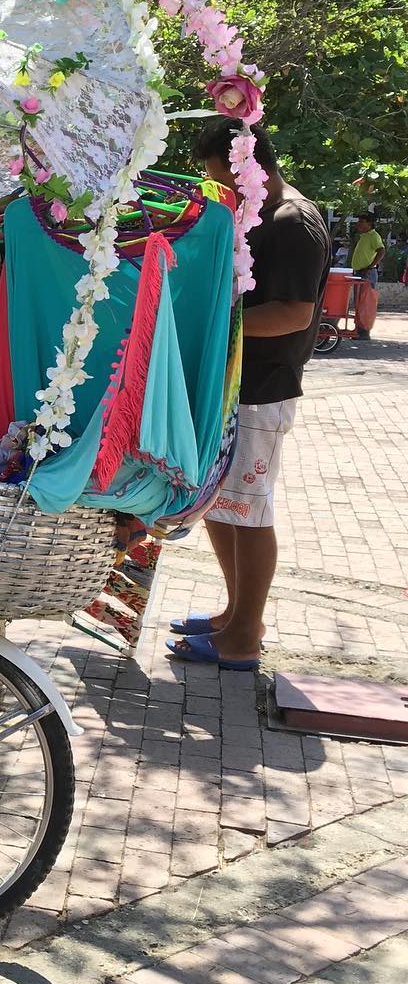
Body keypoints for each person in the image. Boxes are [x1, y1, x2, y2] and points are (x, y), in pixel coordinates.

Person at [168, 121, 329, 671]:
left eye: (224, 182)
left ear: (249, 169)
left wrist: (218, 325)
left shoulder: (291, 222)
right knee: (221, 503)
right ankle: (238, 615)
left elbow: (294, 312)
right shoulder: (259, 216)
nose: (221, 195)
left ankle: (243, 638)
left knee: (250, 511)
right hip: (235, 383)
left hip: (262, 388)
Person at [349, 212, 384, 341]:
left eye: (361, 221)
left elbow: (381, 251)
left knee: (366, 302)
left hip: (367, 273)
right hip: (360, 272)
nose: (358, 223)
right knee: (359, 302)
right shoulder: (364, 236)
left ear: (369, 223)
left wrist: (371, 266)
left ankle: (364, 331)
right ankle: (359, 329)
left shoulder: (373, 236)